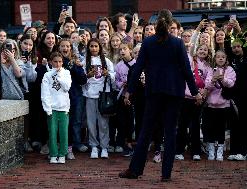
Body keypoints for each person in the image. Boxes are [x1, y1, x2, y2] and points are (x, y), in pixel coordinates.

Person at [119, 9, 202, 181]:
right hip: (174, 92)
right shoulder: (178, 43)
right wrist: (196, 92)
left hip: (154, 92)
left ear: (156, 24)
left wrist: (130, 91)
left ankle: (135, 170)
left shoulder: (148, 42)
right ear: (171, 24)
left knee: (146, 132)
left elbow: (137, 69)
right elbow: (187, 71)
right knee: (170, 132)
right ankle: (166, 174)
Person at [82, 38, 115, 159]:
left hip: (103, 95)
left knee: (103, 123)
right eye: (91, 46)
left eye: (96, 46)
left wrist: (108, 74)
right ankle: (94, 146)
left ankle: (104, 147)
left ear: (100, 48)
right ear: (88, 48)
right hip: (90, 95)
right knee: (91, 122)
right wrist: (87, 76)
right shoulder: (84, 61)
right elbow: (81, 79)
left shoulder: (106, 61)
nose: (94, 48)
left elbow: (114, 77)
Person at [203, 50, 236, 161]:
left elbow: (231, 83)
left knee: (221, 128)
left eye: (223, 57)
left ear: (226, 59)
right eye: (218, 57)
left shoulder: (230, 70)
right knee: (211, 127)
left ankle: (220, 151)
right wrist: (213, 80)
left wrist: (222, 78)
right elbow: (206, 85)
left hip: (224, 105)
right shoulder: (211, 70)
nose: (220, 59)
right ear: (215, 59)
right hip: (211, 105)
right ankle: (211, 150)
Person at [41, 52, 72, 164]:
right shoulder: (47, 75)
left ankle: (62, 154)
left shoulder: (66, 73)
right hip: (52, 108)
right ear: (51, 62)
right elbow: (45, 93)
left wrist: (59, 76)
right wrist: (47, 108)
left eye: (60, 62)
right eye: (55, 62)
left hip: (63, 108)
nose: (58, 64)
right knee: (52, 132)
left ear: (62, 62)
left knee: (64, 132)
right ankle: (53, 154)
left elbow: (67, 87)